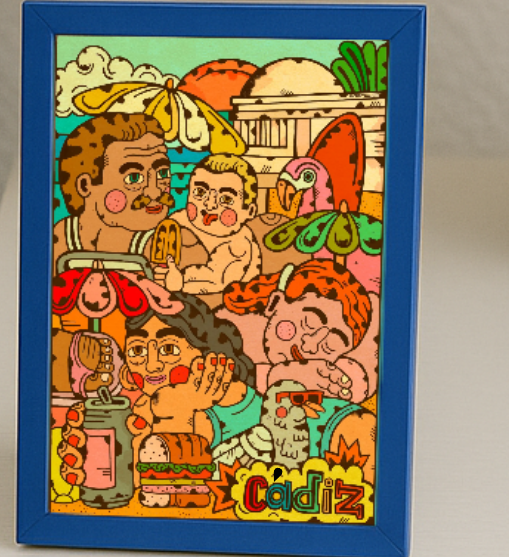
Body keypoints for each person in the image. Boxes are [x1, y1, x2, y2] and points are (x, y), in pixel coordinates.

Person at [223, 258, 377, 402]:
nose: (310, 347)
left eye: (330, 345)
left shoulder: (326, 377)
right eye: (309, 324)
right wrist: (279, 377)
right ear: (275, 302)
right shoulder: (231, 328)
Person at [120, 296, 261, 448]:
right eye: (137, 350)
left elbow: (175, 458)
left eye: (168, 349)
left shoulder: (207, 416)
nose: (152, 366)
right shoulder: (146, 405)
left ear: (205, 352)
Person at [53, 112, 173, 265]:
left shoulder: (165, 243)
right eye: (133, 178)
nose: (154, 192)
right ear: (85, 186)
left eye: (162, 173)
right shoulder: (59, 240)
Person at [157, 154, 261, 299]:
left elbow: (216, 281)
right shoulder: (179, 219)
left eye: (226, 199)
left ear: (249, 211)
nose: (209, 205)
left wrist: (180, 282)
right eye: (200, 192)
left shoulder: (239, 246)